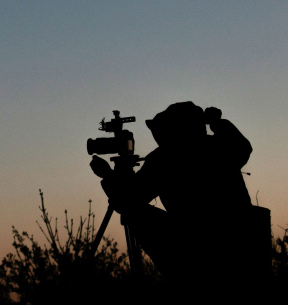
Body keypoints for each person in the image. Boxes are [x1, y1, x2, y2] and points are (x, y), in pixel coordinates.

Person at [91, 102, 263, 282]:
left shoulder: (166, 158)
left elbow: (128, 199)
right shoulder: (221, 147)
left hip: (193, 254)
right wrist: (216, 121)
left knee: (133, 211)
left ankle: (180, 279)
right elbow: (243, 146)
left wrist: (107, 175)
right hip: (246, 253)